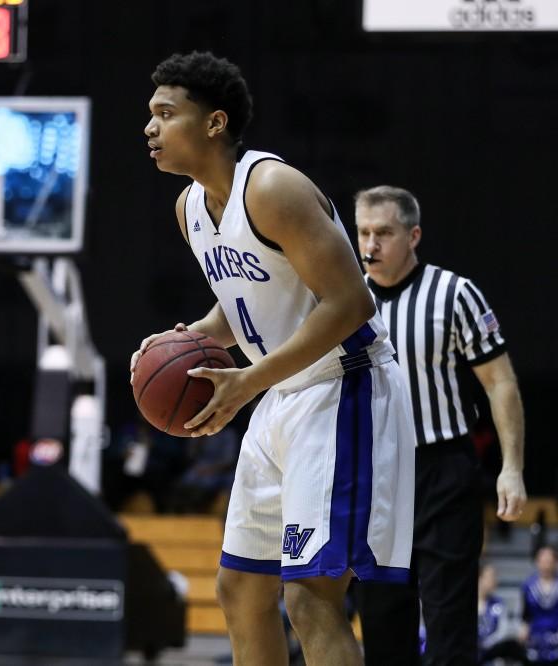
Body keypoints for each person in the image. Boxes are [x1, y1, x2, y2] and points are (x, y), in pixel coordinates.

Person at [132, 51, 415, 665]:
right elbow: (245, 305)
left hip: (344, 388)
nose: (149, 128)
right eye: (148, 115)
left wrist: (247, 381)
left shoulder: (272, 187)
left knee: (311, 598)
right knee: (238, 590)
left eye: (164, 113)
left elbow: (351, 302)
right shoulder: (190, 210)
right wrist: (183, 340)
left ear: (214, 123)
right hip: (280, 396)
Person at [353, 185, 528, 665]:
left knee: (449, 622)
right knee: (384, 624)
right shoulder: (344, 299)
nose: (370, 245)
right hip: (376, 475)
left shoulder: (455, 293)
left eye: (383, 233)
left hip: (444, 468)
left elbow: (501, 383)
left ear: (413, 236)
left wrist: (511, 467)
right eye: (363, 232)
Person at [478, 564, 525, 664]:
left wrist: (486, 644)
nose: (495, 581)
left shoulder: (498, 604)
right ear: (480, 578)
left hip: (492, 654)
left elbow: (503, 631)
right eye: (491, 577)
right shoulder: (465, 604)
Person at [522, 545, 558, 665]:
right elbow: (525, 614)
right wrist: (524, 630)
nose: (546, 565)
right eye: (542, 561)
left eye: (549, 561)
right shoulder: (528, 585)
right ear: (537, 562)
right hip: (535, 638)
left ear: (555, 563)